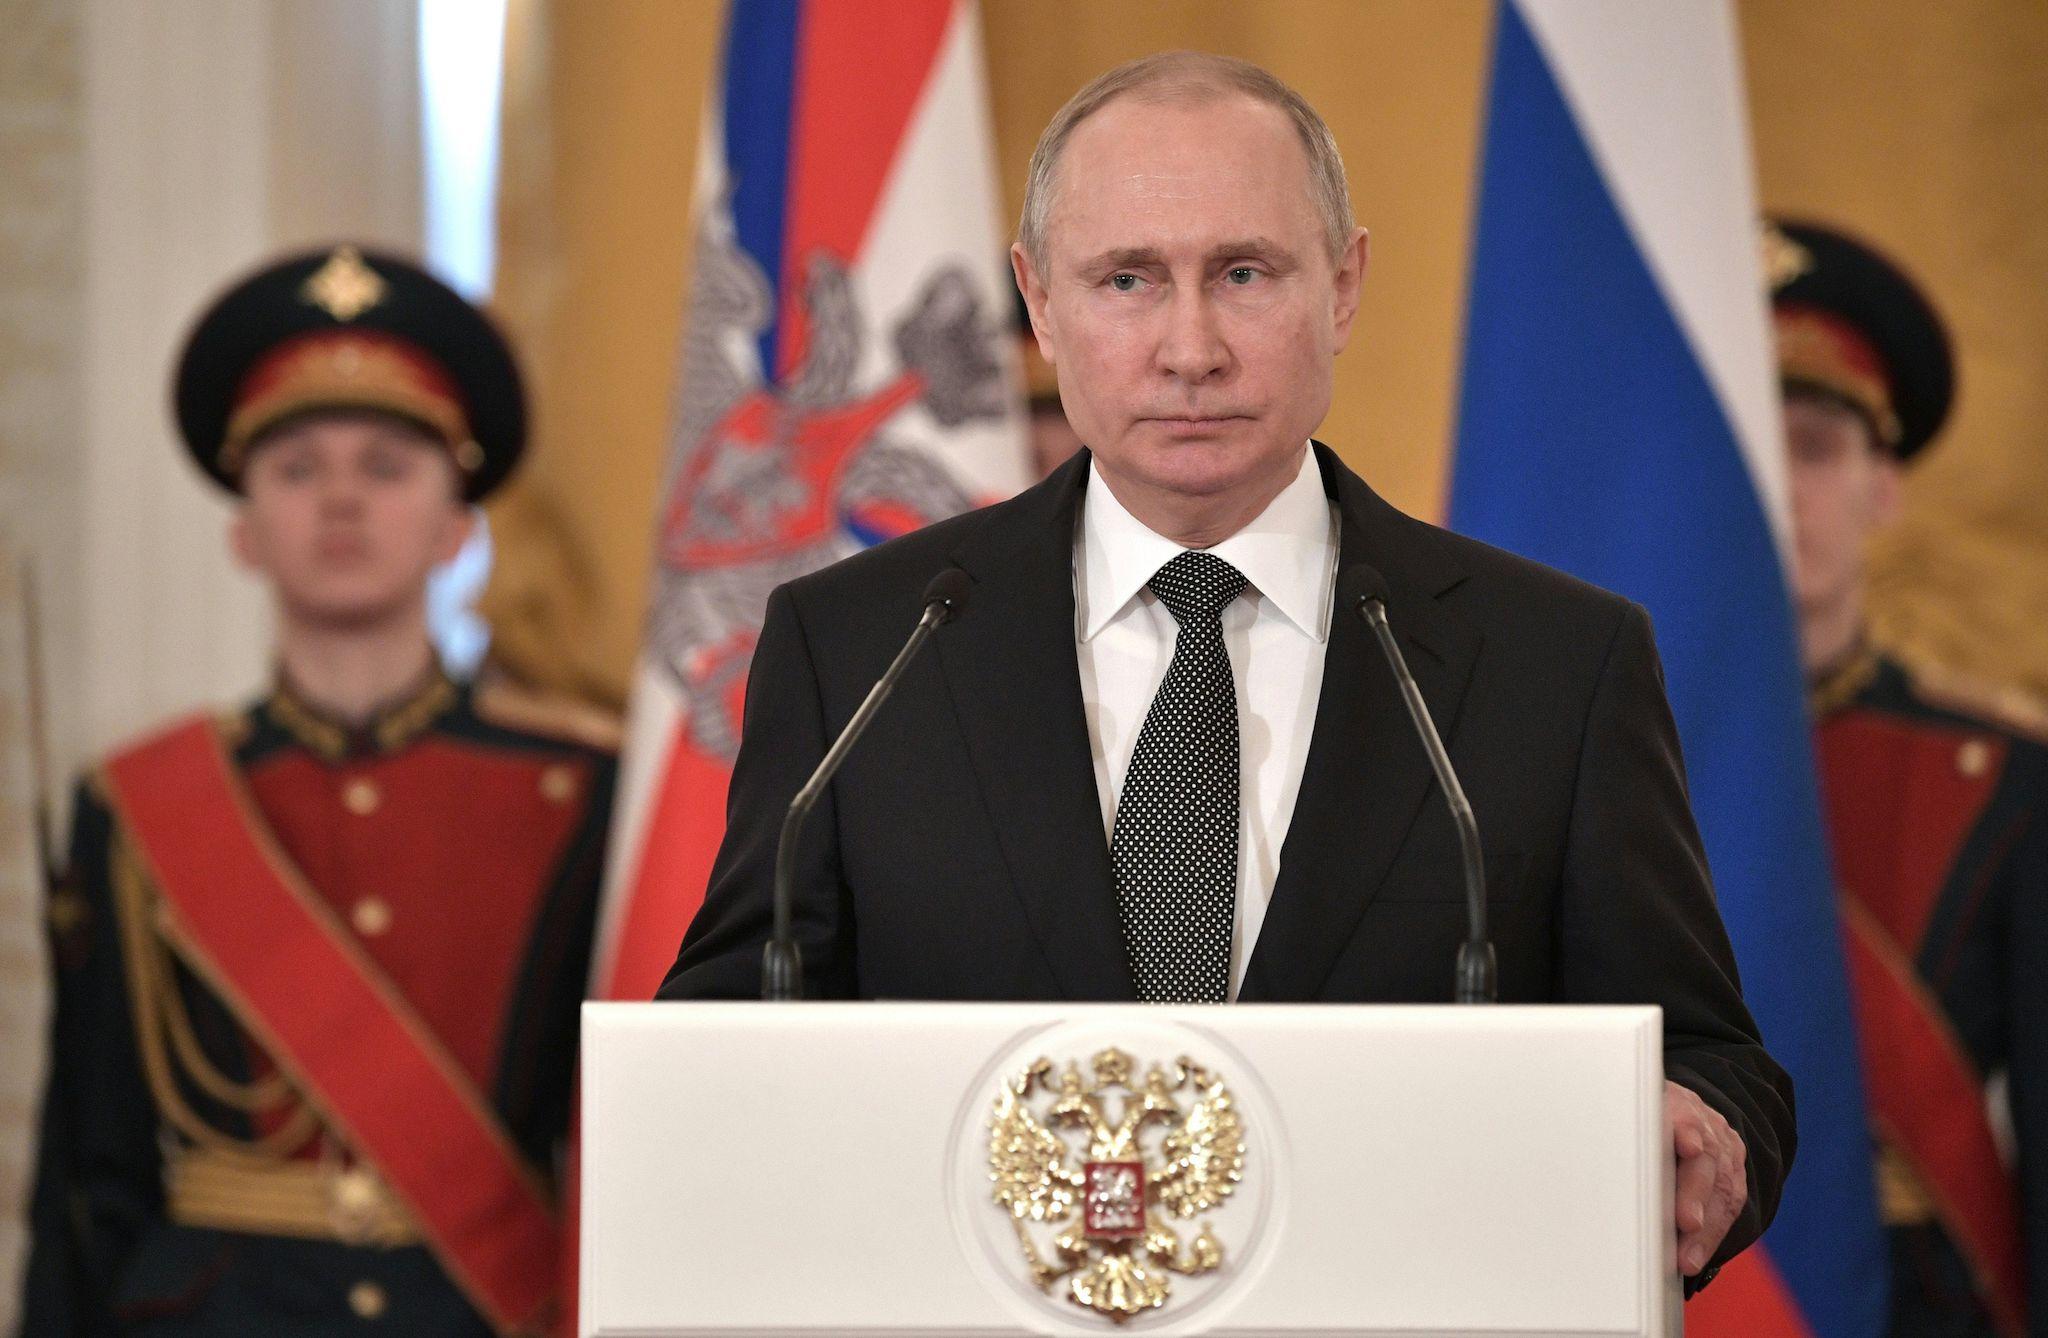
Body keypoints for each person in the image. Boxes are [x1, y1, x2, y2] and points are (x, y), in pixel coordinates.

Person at [661, 52, 1791, 1286]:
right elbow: (723, 1047)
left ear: (1343, 286)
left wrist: (1702, 1126)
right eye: (1126, 280)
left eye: (1243, 274)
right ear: (1038, 306)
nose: (1187, 348)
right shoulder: (862, 647)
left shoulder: (1552, 662)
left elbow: (1707, 1056)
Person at [21, 246, 616, 1336]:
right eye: (297, 468)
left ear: (455, 528)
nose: (341, 495)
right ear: (244, 529)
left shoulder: (578, 791)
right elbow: (89, 1173)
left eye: (387, 465)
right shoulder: (136, 805)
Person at [1770, 217, 2048, 1338]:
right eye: (1741, 442)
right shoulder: (1573, 748)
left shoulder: (2000, 775)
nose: (1778, 488)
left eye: (1814, 446)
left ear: (1882, 486)